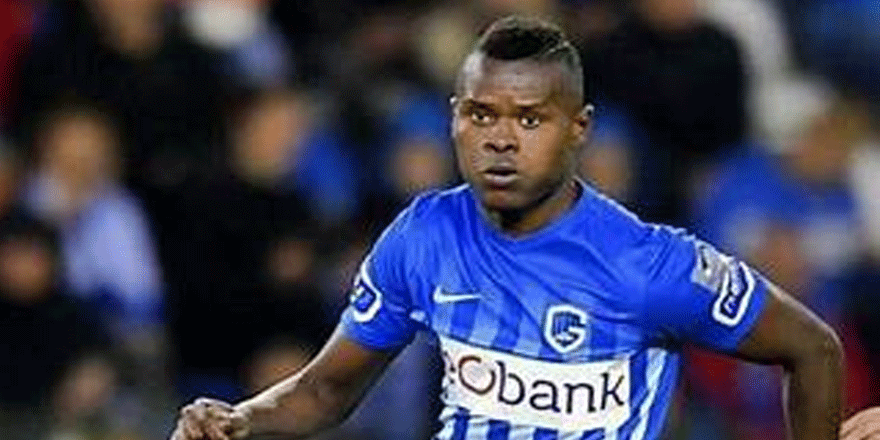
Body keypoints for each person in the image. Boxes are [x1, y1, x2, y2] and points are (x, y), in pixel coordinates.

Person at [169, 17, 843, 440]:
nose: (501, 139)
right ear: (455, 116)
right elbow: (325, 390)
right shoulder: (424, 235)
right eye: (482, 115)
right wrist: (240, 418)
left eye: (530, 119)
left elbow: (813, 348)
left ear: (578, 128)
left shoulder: (646, 264)